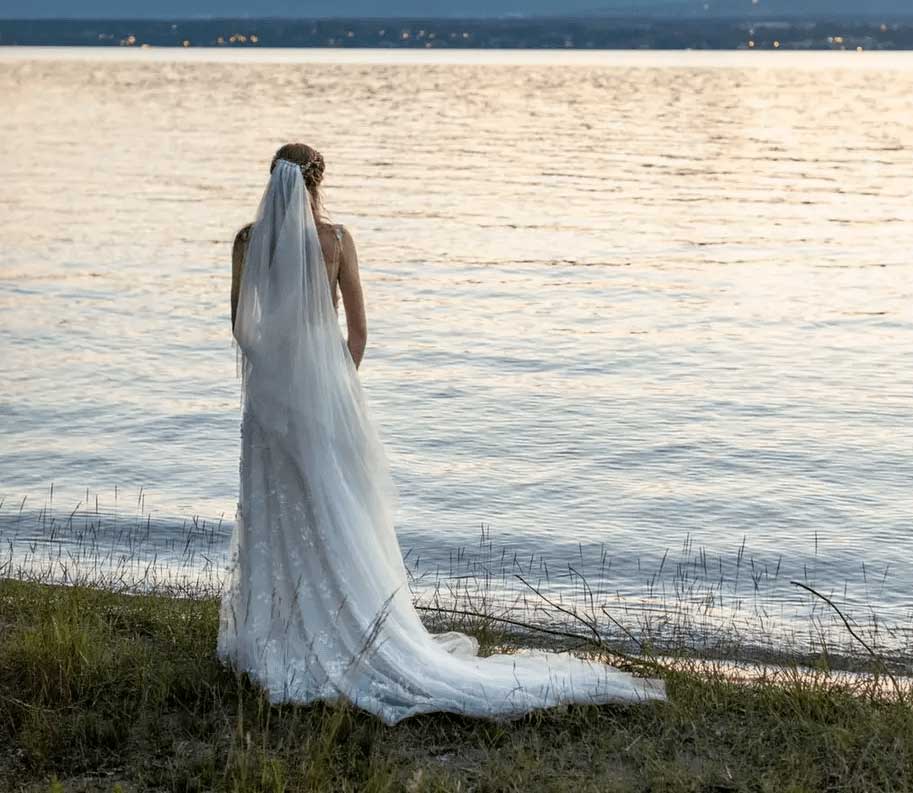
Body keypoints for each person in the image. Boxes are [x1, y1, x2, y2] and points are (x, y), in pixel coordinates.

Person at [216, 142, 666, 726]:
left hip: (271, 407)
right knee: (338, 515)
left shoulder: (248, 242)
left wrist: (279, 379)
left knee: (282, 514)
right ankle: (353, 627)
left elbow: (240, 328)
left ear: (272, 180)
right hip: (325, 402)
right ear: (318, 183)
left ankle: (281, 631)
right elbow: (357, 334)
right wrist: (332, 388)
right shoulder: (337, 242)